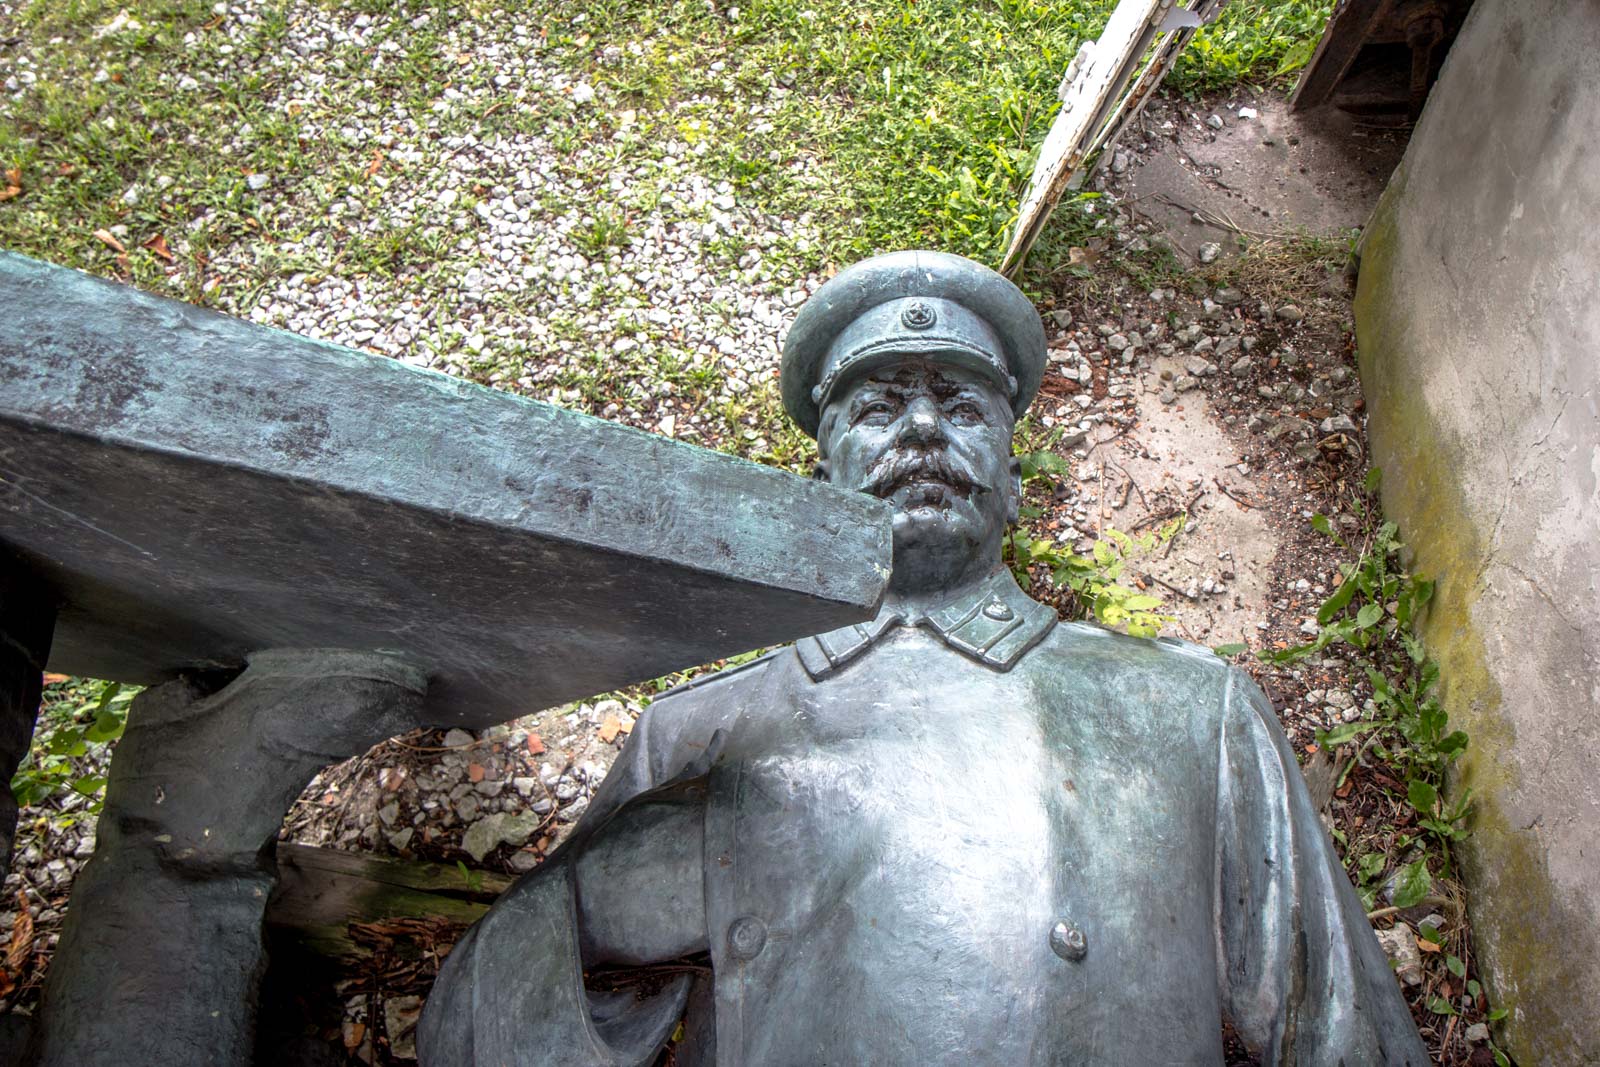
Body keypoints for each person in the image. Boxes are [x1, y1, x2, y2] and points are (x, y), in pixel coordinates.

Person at [418, 251, 1427, 1066]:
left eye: (965, 406)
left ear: (1015, 478)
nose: (924, 428)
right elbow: (477, 1027)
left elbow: (1344, 1029)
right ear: (822, 474)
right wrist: (591, 913)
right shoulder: (694, 731)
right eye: (876, 407)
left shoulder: (1188, 709)